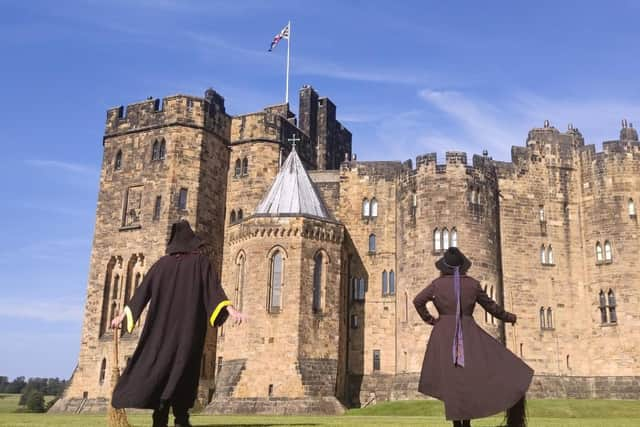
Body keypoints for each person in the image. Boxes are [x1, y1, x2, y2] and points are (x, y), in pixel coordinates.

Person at [110, 220, 246, 427]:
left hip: (160, 333)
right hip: (187, 331)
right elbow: (213, 290)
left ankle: (160, 418)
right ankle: (181, 419)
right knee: (185, 371)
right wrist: (230, 309)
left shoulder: (160, 265)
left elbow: (141, 293)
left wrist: (123, 316)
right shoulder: (200, 262)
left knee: (160, 369)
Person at [413, 247, 533, 427]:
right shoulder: (473, 284)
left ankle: (458, 425)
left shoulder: (436, 285)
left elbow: (418, 301)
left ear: (443, 267)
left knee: (453, 381)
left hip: (444, 335)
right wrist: (510, 317)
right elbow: (492, 308)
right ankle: (466, 424)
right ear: (463, 266)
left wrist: (431, 320)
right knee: (465, 381)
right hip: (468, 334)